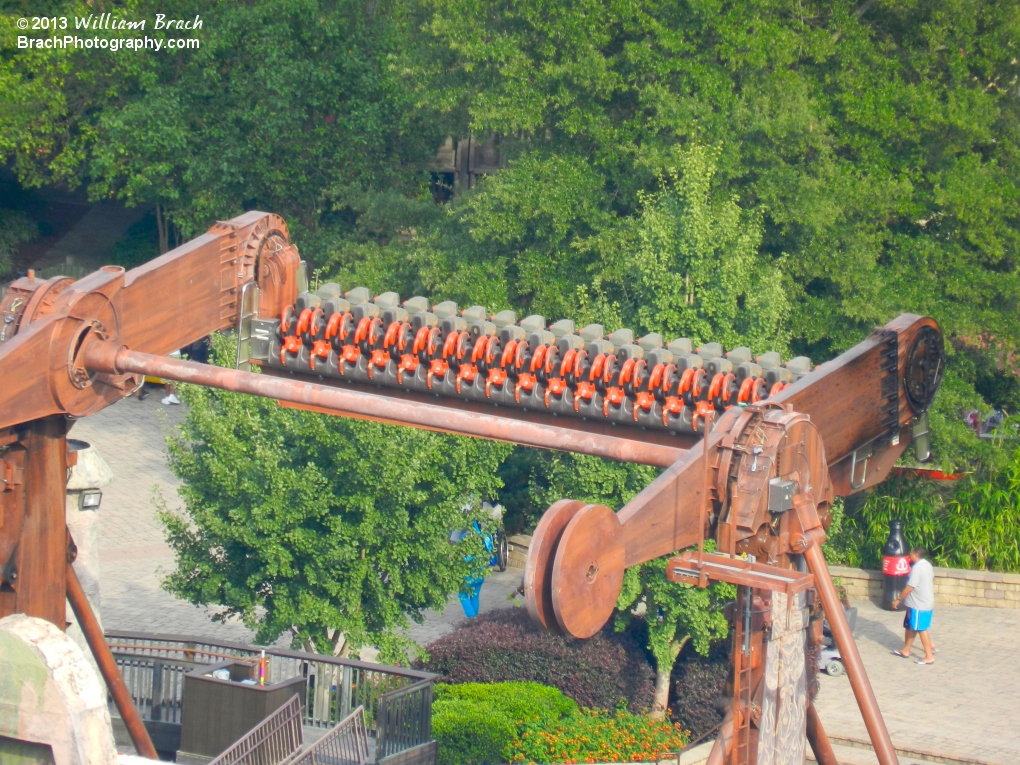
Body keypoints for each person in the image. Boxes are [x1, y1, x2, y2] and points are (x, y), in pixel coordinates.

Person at [891, 547, 936, 665]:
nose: (909, 555)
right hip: (924, 602)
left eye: (911, 553)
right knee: (912, 626)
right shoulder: (927, 565)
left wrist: (898, 599)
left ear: (915, 555)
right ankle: (906, 650)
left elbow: (910, 587)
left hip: (919, 604)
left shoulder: (917, 568)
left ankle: (929, 656)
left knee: (921, 629)